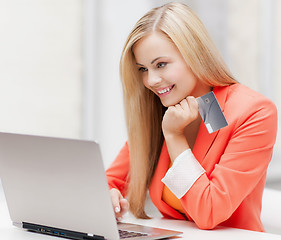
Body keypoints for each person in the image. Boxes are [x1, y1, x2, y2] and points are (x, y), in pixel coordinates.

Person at [106, 2, 277, 232]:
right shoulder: (161, 110)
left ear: (194, 54)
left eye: (161, 64)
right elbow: (108, 182)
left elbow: (209, 212)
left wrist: (175, 137)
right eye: (143, 69)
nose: (151, 81)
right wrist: (110, 195)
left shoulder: (254, 112)